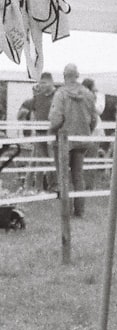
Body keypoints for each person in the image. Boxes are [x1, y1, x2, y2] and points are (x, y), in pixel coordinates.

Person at [48, 63, 97, 217]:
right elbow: (94, 119)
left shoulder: (60, 94)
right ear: (77, 75)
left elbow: (56, 118)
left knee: (64, 176)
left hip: (64, 139)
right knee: (78, 175)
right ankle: (80, 211)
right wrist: (87, 131)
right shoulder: (88, 94)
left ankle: (66, 211)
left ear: (64, 76)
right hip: (82, 138)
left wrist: (50, 132)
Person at [17, 72, 57, 190]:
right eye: (40, 83)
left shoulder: (58, 96)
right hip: (39, 134)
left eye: (44, 83)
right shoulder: (38, 97)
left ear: (50, 83)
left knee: (50, 161)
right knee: (41, 161)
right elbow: (24, 109)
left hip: (53, 133)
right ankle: (35, 187)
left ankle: (49, 187)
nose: (41, 86)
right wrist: (23, 113)